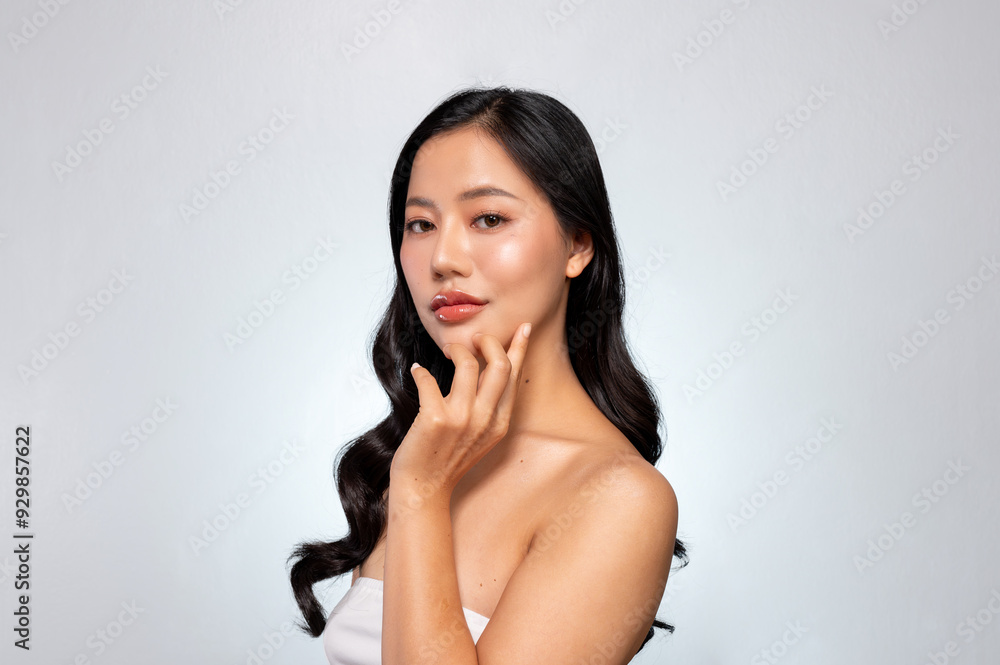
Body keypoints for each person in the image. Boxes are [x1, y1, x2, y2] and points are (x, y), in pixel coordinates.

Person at [288, 85, 688, 665]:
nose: (444, 258)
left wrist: (423, 493)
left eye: (489, 218)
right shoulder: (423, 447)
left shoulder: (619, 497)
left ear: (577, 244)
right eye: (421, 224)